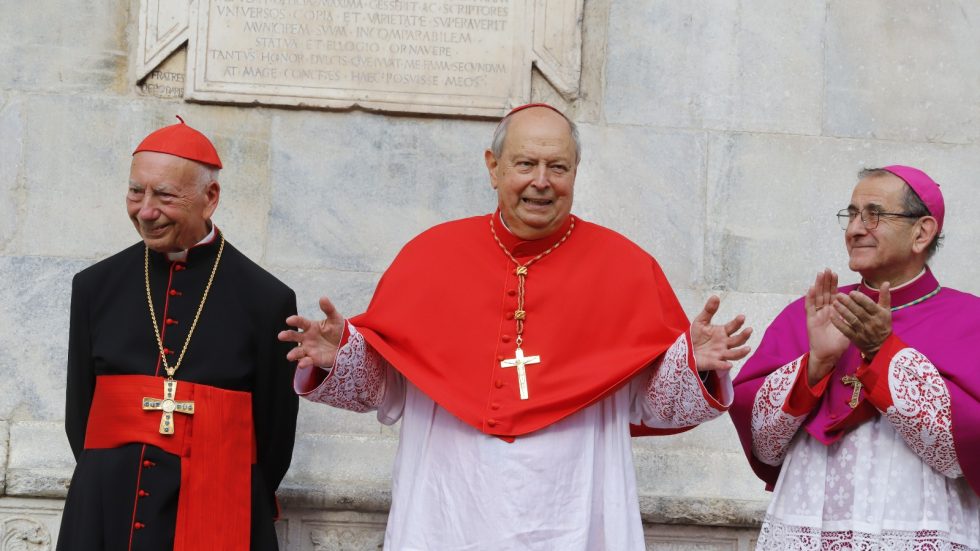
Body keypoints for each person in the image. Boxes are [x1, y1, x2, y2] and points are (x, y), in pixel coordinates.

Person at [280, 103, 752, 550]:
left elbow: (654, 406)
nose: (541, 182)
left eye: (558, 168)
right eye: (525, 164)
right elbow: (386, 389)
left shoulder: (626, 268)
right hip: (451, 501)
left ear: (575, 173)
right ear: (493, 167)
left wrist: (693, 366)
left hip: (574, 504)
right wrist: (342, 357)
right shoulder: (429, 257)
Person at [58, 117, 299, 550]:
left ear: (210, 198)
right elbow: (80, 415)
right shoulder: (95, 287)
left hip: (218, 505)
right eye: (136, 191)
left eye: (164, 195)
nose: (145, 211)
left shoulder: (267, 300)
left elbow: (274, 439)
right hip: (105, 509)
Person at [730, 166, 980, 549]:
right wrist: (816, 364)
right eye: (851, 214)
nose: (855, 229)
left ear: (922, 231)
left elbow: (960, 452)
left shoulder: (969, 321)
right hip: (812, 517)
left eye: (874, 214)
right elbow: (764, 443)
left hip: (917, 521)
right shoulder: (815, 311)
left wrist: (884, 352)